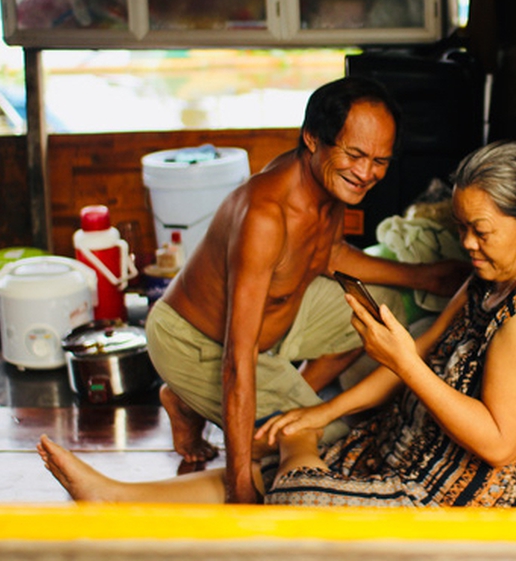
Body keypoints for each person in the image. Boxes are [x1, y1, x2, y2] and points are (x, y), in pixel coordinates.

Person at [38, 140, 516, 507]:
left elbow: (498, 445)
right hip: (424, 453)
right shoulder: (497, 273)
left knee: (301, 485)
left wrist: (400, 362)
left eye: (481, 231)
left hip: (464, 502)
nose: (467, 244)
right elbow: (423, 345)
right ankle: (120, 498)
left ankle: (275, 468)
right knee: (309, 442)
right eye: (462, 228)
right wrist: (323, 408)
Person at [145, 76, 468, 504]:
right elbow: (237, 360)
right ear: (313, 138)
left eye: (380, 160)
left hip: (275, 324)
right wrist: (237, 486)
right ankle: (209, 403)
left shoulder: (326, 181)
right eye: (355, 154)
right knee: (327, 436)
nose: (367, 173)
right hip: (199, 342)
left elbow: (327, 252)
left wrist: (424, 276)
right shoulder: (264, 215)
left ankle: (271, 404)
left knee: (380, 307)